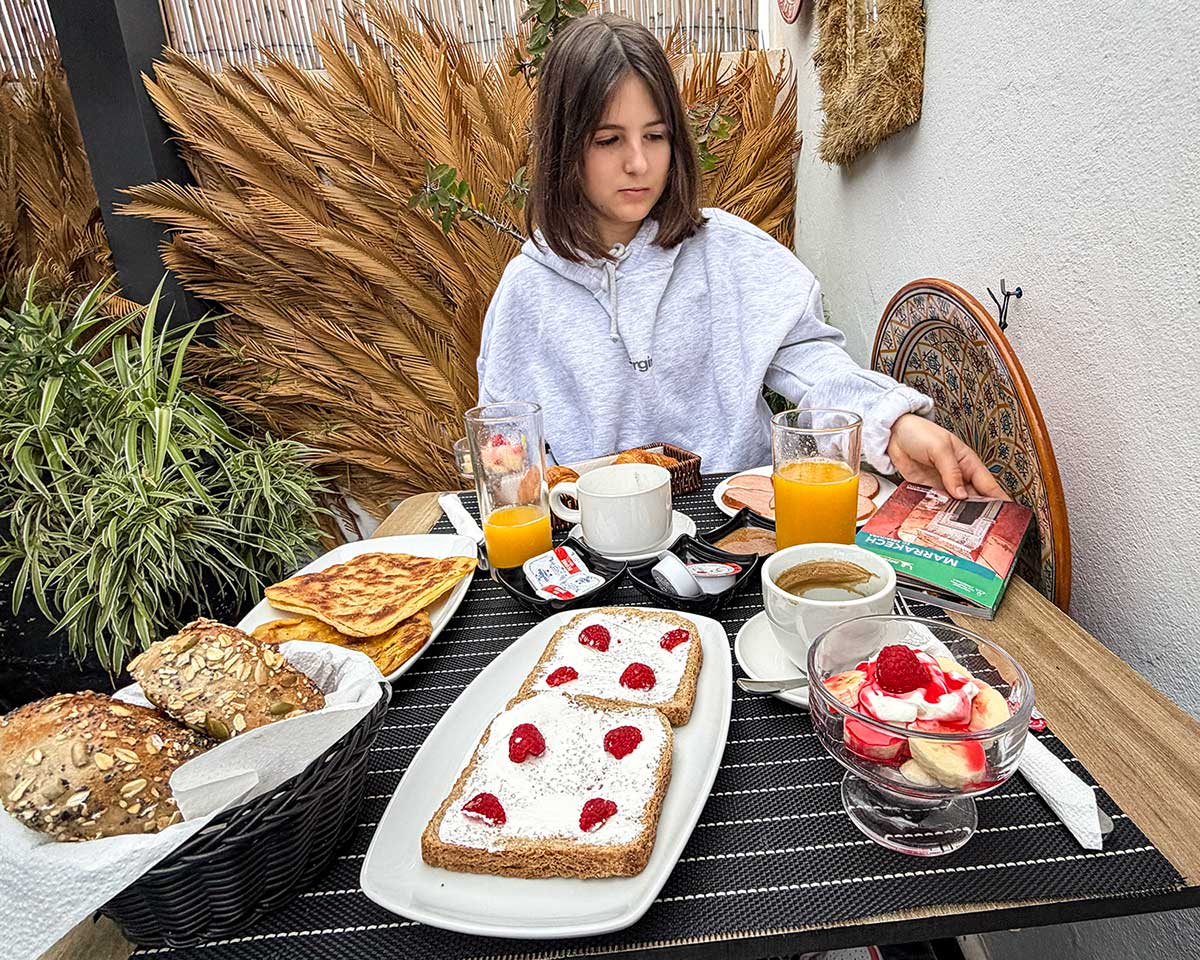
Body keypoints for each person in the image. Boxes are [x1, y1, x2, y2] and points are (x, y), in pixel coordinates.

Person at [477, 14, 1005, 501]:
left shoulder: (727, 250)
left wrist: (894, 424)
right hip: (593, 551)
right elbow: (506, 444)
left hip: (736, 530)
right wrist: (530, 484)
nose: (638, 162)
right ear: (564, 147)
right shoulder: (528, 290)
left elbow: (809, 362)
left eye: (655, 136)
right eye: (609, 139)